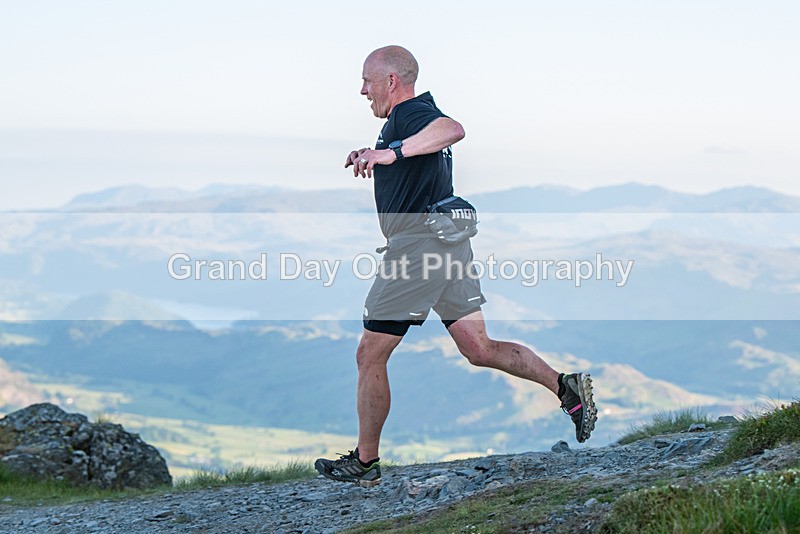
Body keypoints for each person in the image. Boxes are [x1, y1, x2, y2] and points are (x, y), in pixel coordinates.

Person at [315, 46, 596, 487]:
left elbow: (454, 129)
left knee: (370, 353)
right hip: (447, 247)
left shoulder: (412, 114)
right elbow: (418, 151)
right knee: (479, 349)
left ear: (392, 81)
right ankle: (567, 388)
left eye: (367, 80)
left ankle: (365, 463)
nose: (361, 90)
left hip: (418, 250)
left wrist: (391, 155)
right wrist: (376, 153)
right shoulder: (403, 124)